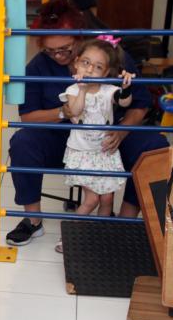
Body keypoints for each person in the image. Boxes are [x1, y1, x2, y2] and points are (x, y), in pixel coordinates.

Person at [5, 0, 169, 246]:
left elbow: (140, 104)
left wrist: (121, 132)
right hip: (66, 140)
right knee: (22, 141)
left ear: (80, 40)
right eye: (50, 51)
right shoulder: (38, 66)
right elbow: (28, 117)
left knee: (154, 145)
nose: (58, 56)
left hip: (109, 138)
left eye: (65, 49)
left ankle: (124, 221)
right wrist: (64, 112)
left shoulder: (111, 57)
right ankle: (32, 220)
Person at [55, 36, 135, 253]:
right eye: (86, 63)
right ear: (76, 62)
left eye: (98, 67)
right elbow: (77, 111)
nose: (90, 70)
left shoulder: (108, 90)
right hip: (82, 153)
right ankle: (69, 236)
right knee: (91, 199)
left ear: (106, 73)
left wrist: (126, 86)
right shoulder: (72, 90)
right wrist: (82, 88)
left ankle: (102, 236)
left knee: (108, 198)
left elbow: (125, 101)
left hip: (104, 153)